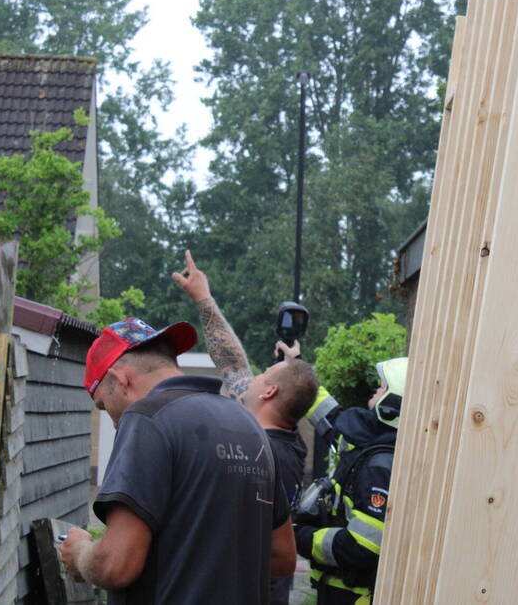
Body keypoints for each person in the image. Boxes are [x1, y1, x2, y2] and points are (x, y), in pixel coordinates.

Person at [58, 317, 296, 604]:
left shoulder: (146, 418)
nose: (112, 421)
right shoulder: (248, 424)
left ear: (121, 379)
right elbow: (282, 557)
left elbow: (115, 566)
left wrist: (81, 553)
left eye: (103, 404)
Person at [173, 250, 318, 604]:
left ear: (268, 391)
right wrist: (203, 299)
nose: (252, 377)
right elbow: (234, 365)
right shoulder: (286, 441)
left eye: (263, 375)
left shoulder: (257, 453)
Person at [295, 356, 407, 604]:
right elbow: (331, 420)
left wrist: (301, 537)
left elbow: (362, 546)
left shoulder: (380, 466)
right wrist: (296, 365)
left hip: (353, 596)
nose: (377, 389)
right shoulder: (371, 440)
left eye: (384, 387)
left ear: (393, 404)